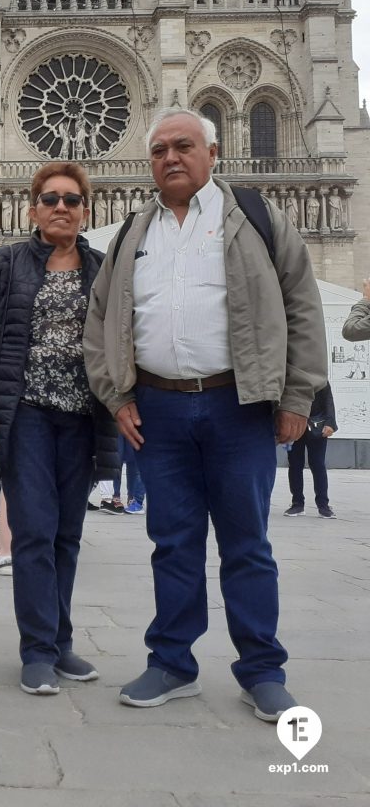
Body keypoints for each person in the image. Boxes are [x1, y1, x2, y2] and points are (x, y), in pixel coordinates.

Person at [84, 108, 327, 723]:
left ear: (213, 153)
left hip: (236, 405)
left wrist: (297, 396)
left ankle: (262, 671)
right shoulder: (134, 231)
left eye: (184, 146)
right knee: (173, 543)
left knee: (247, 543)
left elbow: (302, 303)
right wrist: (117, 395)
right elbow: (101, 317)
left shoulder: (257, 217)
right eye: (160, 149)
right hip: (157, 409)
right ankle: (171, 662)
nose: (171, 157)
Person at [0, 162, 109, 695]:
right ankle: (37, 650)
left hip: (83, 420)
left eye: (71, 199)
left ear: (86, 210)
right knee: (35, 534)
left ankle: (60, 643)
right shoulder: (3, 265)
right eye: (50, 199)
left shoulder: (103, 269)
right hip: (25, 418)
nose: (61, 207)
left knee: (68, 535)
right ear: (32, 209)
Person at [284, 383, 337, 519]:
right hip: (294, 426)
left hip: (317, 427)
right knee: (295, 465)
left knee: (318, 465)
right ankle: (297, 504)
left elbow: (328, 401)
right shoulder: (291, 377)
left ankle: (323, 506)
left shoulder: (320, 378)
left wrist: (330, 423)